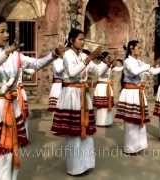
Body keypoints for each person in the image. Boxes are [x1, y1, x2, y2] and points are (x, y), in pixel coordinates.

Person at [0, 16, 64, 180]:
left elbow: (37, 64)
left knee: (10, 150)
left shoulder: (16, 56)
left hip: (11, 105)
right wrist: (7, 53)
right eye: (2, 31)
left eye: (7, 31)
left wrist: (54, 54)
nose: (6, 35)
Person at [51, 28, 104, 176]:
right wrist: (89, 58)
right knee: (74, 133)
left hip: (83, 95)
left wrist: (106, 62)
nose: (82, 41)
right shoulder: (67, 54)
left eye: (83, 39)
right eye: (80, 39)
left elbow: (97, 71)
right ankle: (74, 167)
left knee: (85, 130)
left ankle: (86, 164)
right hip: (71, 95)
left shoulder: (82, 55)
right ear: (72, 40)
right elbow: (73, 72)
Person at [115, 40, 160, 155]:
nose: (140, 50)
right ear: (132, 48)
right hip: (130, 93)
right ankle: (130, 148)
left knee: (139, 120)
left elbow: (152, 71)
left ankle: (139, 146)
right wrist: (148, 65)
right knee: (131, 121)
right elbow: (134, 72)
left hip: (138, 92)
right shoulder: (128, 61)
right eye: (138, 47)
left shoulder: (139, 61)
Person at [93, 51, 119, 127]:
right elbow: (100, 73)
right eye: (108, 57)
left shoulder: (108, 66)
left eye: (109, 57)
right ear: (103, 58)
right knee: (101, 105)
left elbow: (117, 67)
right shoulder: (100, 65)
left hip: (107, 86)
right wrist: (109, 64)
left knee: (107, 104)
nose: (108, 58)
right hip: (101, 86)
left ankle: (107, 122)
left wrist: (115, 58)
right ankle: (100, 122)